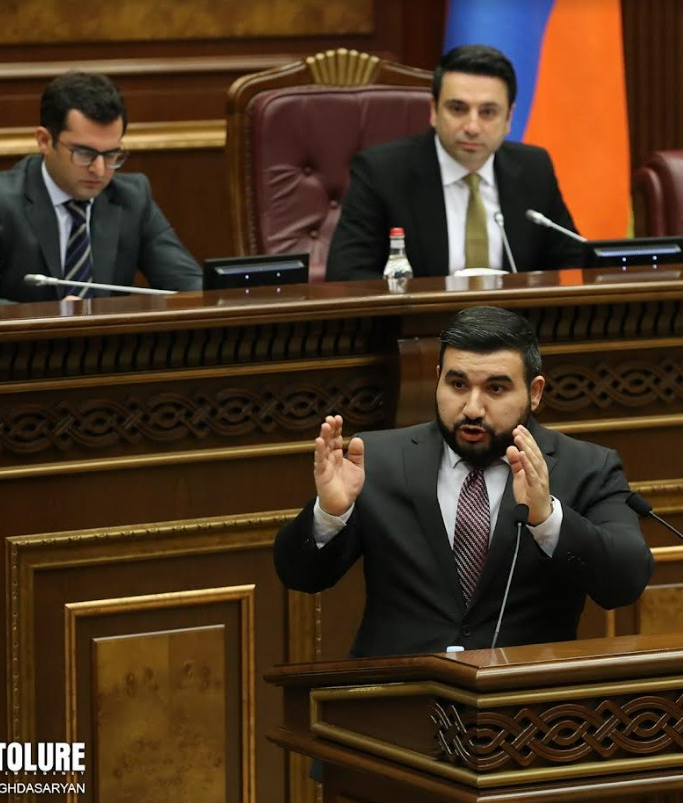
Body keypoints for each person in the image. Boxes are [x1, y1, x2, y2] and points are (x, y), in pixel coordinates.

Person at [274, 306, 654, 657]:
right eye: (457, 385)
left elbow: (625, 582)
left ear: (534, 392)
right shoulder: (375, 459)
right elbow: (300, 576)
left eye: (496, 389)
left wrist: (548, 520)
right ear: (438, 379)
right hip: (397, 695)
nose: (472, 408)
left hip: (523, 698)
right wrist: (329, 515)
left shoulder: (586, 467)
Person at [0, 71, 201, 307]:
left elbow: (193, 288)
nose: (99, 169)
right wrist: (52, 318)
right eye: (84, 153)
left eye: (111, 155)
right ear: (45, 141)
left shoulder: (131, 198)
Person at [325, 45, 585, 281]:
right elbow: (346, 275)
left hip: (515, 318)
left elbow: (574, 263)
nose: (472, 127)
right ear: (434, 111)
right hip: (424, 318)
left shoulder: (534, 169)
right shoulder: (382, 172)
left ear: (508, 118)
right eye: (458, 109)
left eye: (488, 112)